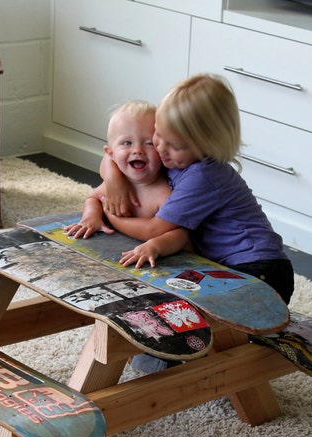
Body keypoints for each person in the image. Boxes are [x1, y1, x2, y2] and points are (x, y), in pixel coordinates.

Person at [102, 73, 295, 305]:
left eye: (173, 146)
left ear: (206, 147)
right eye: (157, 137)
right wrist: (114, 180)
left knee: (193, 309)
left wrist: (111, 216)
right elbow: (111, 157)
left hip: (261, 270)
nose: (160, 149)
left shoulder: (203, 175)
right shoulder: (178, 159)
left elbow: (154, 230)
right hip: (230, 266)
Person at [63, 99, 188, 257]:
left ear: (162, 150)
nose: (137, 150)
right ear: (111, 153)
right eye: (127, 142)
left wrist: (156, 246)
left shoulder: (163, 193)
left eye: (149, 143)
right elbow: (93, 198)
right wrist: (91, 217)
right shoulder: (117, 184)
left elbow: (182, 234)